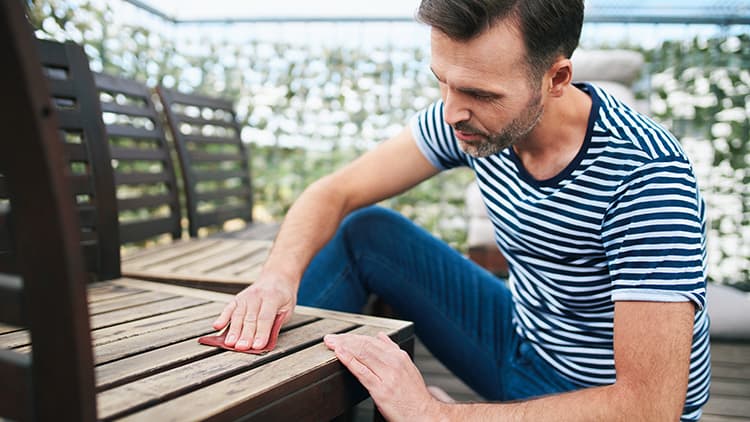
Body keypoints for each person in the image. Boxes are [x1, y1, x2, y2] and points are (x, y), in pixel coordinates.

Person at [212, 0, 711, 420]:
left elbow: (650, 406)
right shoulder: (470, 118)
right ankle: (251, 392)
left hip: (599, 402)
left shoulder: (646, 177)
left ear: (556, 78)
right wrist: (277, 276)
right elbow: (334, 191)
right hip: (520, 340)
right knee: (367, 231)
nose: (451, 111)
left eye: (477, 93)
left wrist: (437, 414)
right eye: (443, 82)